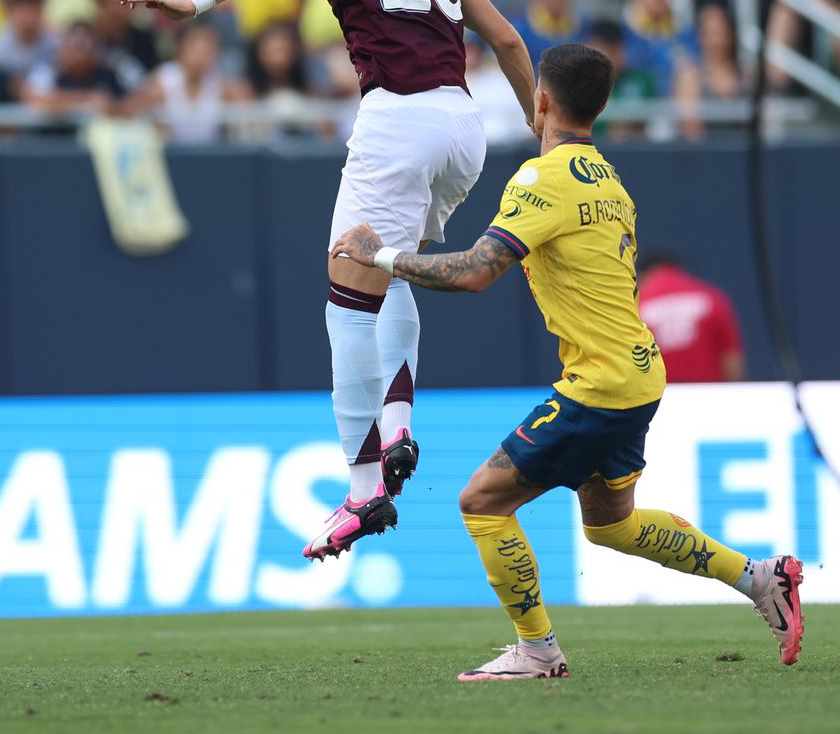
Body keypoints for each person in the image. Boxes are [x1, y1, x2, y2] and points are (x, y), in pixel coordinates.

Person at [329, 43, 804, 680]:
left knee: (482, 502)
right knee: (611, 525)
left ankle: (537, 650)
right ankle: (760, 579)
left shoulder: (539, 179)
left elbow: (474, 274)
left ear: (541, 102)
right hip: (638, 372)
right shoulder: (609, 182)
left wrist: (379, 256)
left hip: (600, 383)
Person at [120, 0, 537, 559]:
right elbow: (506, 39)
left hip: (398, 117)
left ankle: (363, 486)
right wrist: (544, 134)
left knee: (346, 295)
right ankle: (399, 420)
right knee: (391, 264)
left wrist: (195, 1)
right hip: (463, 126)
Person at [637, 253, 747, 383]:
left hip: (661, 399)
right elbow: (732, 362)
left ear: (643, 275)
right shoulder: (711, 298)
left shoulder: (639, 306)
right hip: (710, 396)